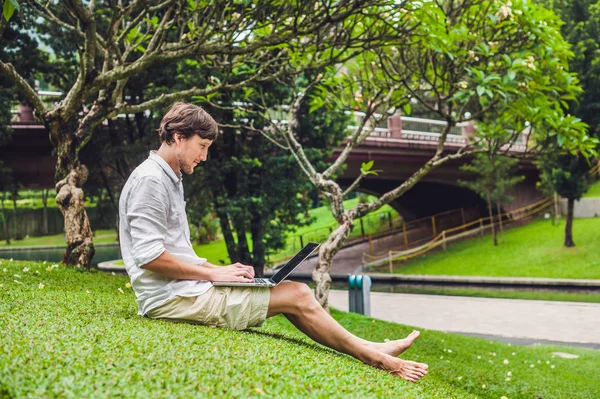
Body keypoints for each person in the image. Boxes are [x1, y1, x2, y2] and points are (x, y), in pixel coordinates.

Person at [119, 102, 429, 382]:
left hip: (186, 290)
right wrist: (213, 275)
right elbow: (149, 257)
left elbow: (176, 250)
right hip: (172, 300)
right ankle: (375, 357)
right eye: (201, 146)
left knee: (295, 293)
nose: (204, 157)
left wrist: (222, 270)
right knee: (298, 295)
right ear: (178, 138)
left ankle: (371, 347)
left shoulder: (169, 177)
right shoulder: (151, 181)